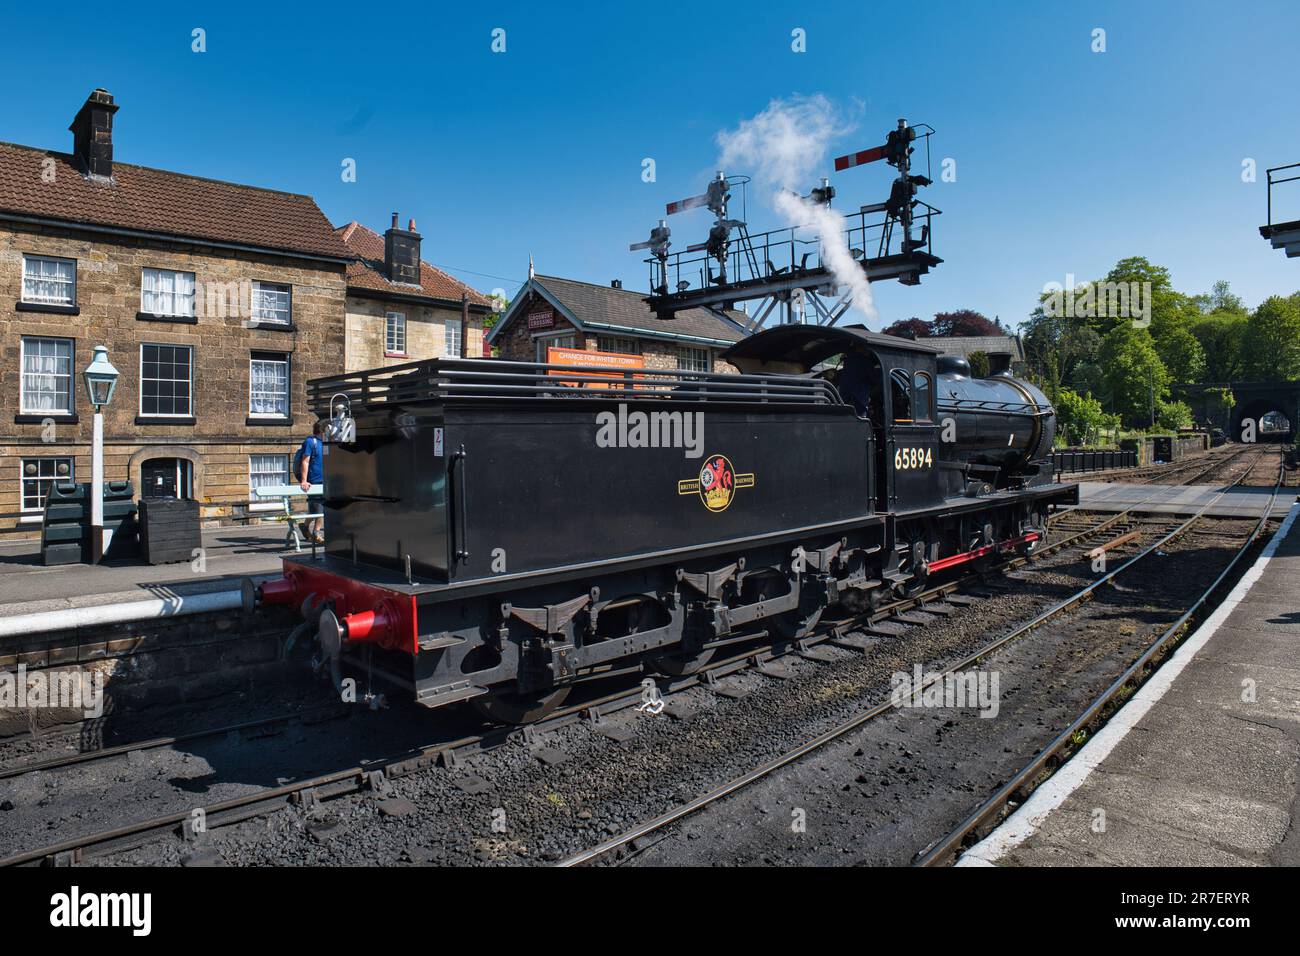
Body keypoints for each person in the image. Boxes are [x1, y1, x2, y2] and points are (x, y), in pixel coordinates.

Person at [297, 421, 325, 544]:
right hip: (314, 481)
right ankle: (316, 533)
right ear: (322, 429)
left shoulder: (326, 442)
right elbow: (305, 461)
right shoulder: (310, 442)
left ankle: (305, 525)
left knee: (317, 508)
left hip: (326, 479)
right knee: (320, 508)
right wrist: (304, 480)